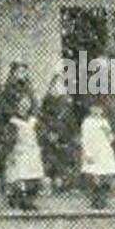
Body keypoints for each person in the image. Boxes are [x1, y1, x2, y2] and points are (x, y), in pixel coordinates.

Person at [4, 88, 45, 211]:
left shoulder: (33, 120)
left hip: (32, 150)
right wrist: (10, 152)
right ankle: (19, 200)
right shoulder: (13, 121)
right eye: (21, 103)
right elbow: (9, 139)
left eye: (26, 103)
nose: (24, 106)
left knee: (33, 176)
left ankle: (30, 201)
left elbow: (39, 134)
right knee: (20, 176)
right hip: (19, 150)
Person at [0, 60, 34, 193]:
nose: (21, 74)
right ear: (13, 73)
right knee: (12, 158)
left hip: (26, 127)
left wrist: (30, 117)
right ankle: (12, 190)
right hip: (12, 126)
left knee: (26, 159)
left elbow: (33, 104)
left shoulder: (28, 88)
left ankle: (27, 191)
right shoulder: (8, 89)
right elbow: (3, 108)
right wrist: (14, 116)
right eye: (19, 71)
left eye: (24, 71)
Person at [39, 64, 77, 193]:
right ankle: (52, 183)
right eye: (58, 80)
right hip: (52, 132)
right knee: (51, 158)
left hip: (65, 132)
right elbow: (44, 116)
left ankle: (65, 184)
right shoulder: (48, 100)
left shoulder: (67, 100)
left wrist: (73, 132)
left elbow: (70, 117)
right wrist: (50, 131)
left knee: (65, 157)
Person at [80, 98, 115, 209]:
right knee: (94, 176)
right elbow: (84, 138)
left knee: (105, 175)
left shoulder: (104, 122)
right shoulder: (87, 122)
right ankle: (95, 200)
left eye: (99, 109)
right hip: (92, 151)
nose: (97, 111)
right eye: (94, 108)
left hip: (104, 151)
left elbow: (111, 138)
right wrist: (87, 153)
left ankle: (103, 200)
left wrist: (108, 133)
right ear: (90, 109)